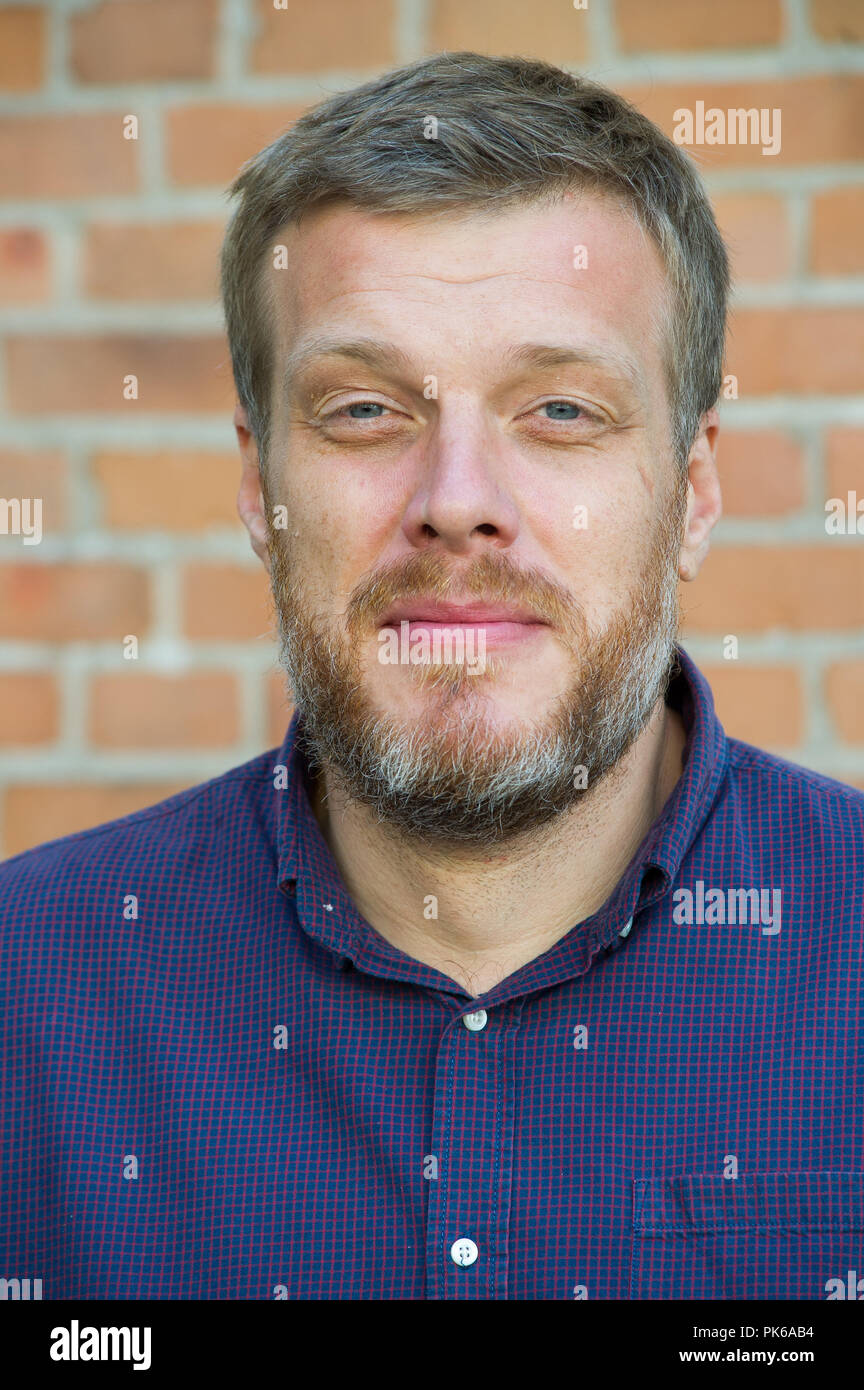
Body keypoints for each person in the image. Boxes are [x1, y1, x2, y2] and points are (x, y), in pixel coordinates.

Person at [2, 52, 862, 1302]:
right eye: (364, 411)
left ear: (694, 489)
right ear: (260, 487)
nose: (458, 505)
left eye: (561, 410)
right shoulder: (30, 995)